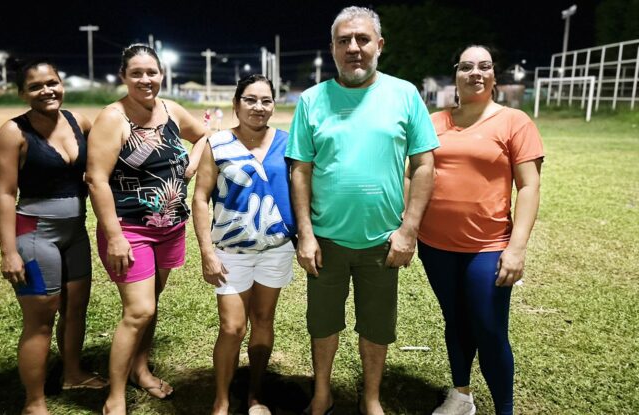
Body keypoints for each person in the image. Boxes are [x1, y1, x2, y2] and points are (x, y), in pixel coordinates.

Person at [285, 6, 439, 415]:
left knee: (376, 327)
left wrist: (408, 231)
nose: (354, 48)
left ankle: (370, 397)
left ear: (379, 45)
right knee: (322, 324)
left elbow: (425, 166)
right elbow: (300, 170)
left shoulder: (404, 94)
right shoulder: (313, 100)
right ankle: (322, 392)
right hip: (326, 240)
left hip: (382, 241)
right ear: (333, 48)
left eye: (362, 39)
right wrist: (305, 233)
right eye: (344, 41)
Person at [418, 45, 543, 415]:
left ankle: (505, 409)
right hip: (435, 244)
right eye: (467, 66)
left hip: (488, 245)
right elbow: (414, 173)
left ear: (494, 76)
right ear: (455, 74)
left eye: (484, 67)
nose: (476, 73)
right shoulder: (434, 121)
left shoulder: (514, 121)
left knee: (488, 329)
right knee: (454, 321)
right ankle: (461, 396)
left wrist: (516, 248)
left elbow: (530, 186)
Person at [85, 44, 208, 415]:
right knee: (138, 310)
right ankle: (115, 397)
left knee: (151, 307)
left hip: (170, 227)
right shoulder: (114, 118)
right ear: (123, 76)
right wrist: (116, 237)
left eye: (151, 72)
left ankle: (140, 369)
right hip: (129, 230)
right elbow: (96, 180)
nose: (145, 80)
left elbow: (204, 136)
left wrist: (191, 164)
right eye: (136, 73)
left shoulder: (172, 110)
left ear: (161, 74)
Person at [0, 59, 107, 415]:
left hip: (75, 234)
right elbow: (5, 194)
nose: (47, 91)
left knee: (76, 311)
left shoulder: (78, 122)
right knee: (40, 321)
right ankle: (34, 402)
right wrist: (9, 252)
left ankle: (72, 373)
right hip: (34, 236)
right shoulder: (13, 133)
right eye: (36, 86)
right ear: (22, 92)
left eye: (52, 82)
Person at [192, 74, 296, 415]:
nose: (258, 106)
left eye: (266, 100)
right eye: (250, 99)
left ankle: (254, 394)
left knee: (264, 320)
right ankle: (221, 400)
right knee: (233, 327)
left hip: (275, 249)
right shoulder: (217, 143)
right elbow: (201, 198)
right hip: (230, 252)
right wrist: (207, 252)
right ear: (236, 103)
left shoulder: (288, 142)